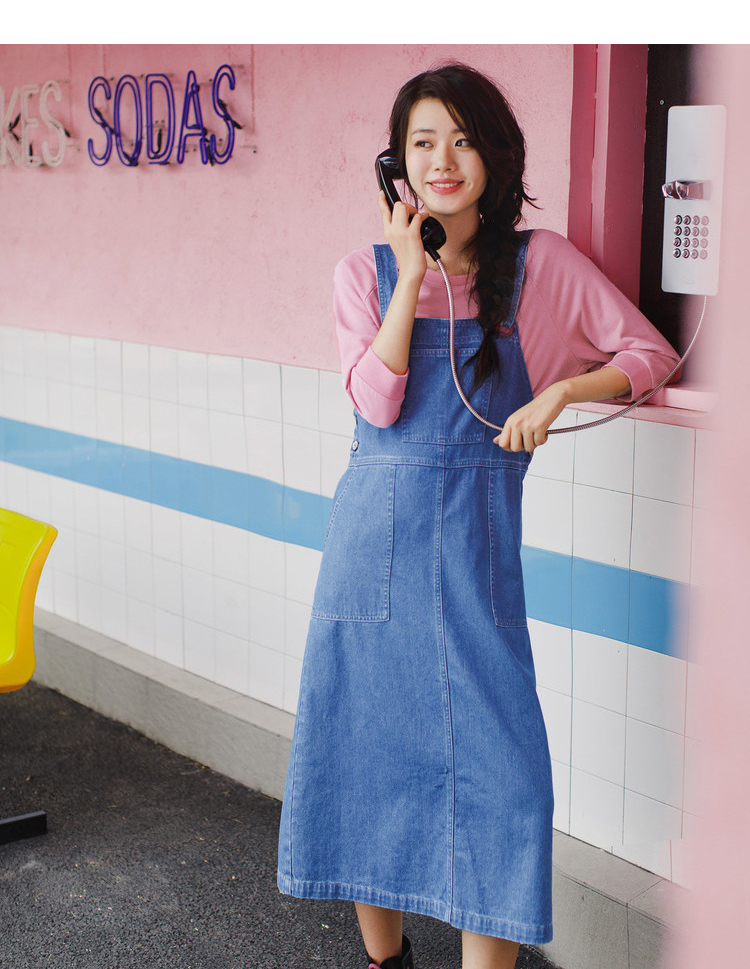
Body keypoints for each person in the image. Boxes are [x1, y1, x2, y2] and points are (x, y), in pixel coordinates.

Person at [277, 63, 680, 969]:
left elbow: (650, 353)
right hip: (369, 561)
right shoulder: (363, 273)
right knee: (370, 763)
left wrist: (564, 391)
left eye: (462, 140)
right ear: (396, 164)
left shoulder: (543, 267)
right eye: (423, 142)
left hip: (474, 566)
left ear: (495, 156)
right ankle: (386, 962)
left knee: (502, 786)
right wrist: (411, 274)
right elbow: (376, 403)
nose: (443, 161)